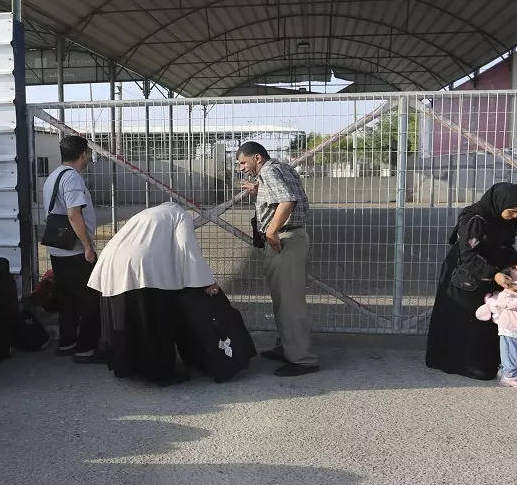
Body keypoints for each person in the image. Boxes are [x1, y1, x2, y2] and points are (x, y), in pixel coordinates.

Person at [88, 202, 240, 384]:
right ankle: (158, 372)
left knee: (123, 317)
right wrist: (206, 281)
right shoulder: (180, 215)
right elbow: (187, 248)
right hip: (141, 265)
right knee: (150, 320)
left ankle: (125, 367)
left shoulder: (148, 213)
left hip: (111, 260)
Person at [425, 183, 517, 380]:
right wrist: (495, 274)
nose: (516, 216)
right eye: (513, 211)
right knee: (466, 319)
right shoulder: (475, 219)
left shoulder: (506, 219)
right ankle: (462, 362)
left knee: (489, 319)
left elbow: (504, 245)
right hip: (465, 275)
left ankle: (500, 361)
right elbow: (468, 255)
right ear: (501, 203)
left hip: (488, 272)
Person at [236, 141, 319, 376]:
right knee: (284, 301)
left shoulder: (269, 171)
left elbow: (287, 200)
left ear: (257, 158)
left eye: (243, 162)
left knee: (289, 304)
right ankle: (288, 348)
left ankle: (303, 359)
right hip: (291, 239)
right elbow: (284, 195)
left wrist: (271, 231)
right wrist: (257, 191)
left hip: (284, 241)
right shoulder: (280, 168)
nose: (241, 167)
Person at [41, 133, 102, 363]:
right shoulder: (72, 178)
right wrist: (88, 246)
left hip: (58, 250)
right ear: (83, 154)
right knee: (90, 299)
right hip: (74, 250)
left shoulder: (53, 176)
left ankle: (67, 343)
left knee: (67, 299)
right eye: (88, 154)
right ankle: (86, 349)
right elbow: (73, 214)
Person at [475, 264, 517, 389]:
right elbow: (512, 305)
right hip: (510, 330)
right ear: (506, 282)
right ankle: (509, 377)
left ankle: (505, 372)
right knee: (511, 354)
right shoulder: (504, 295)